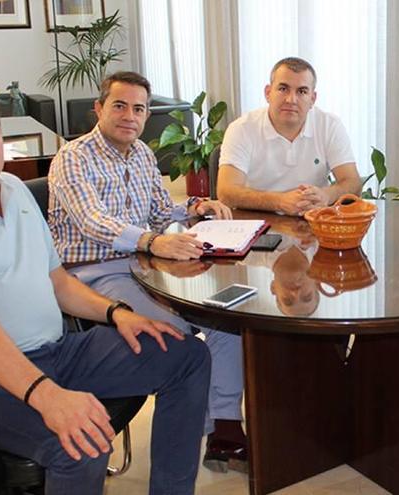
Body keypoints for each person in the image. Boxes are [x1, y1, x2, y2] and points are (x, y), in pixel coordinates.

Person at [0, 90, 211, 495]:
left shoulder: (13, 189)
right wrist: (46, 395)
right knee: (81, 441)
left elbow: (57, 281)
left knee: (185, 354)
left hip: (54, 350)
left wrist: (118, 314)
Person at [47, 71, 245, 473]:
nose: (129, 116)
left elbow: (158, 210)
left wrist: (194, 207)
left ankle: (225, 430)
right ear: (99, 109)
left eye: (138, 108)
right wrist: (152, 242)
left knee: (226, 322)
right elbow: (91, 221)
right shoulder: (73, 157)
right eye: (119, 105)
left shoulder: (140, 153)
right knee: (178, 333)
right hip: (92, 273)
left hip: (145, 265)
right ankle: (196, 427)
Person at [216, 57, 361, 215]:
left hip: (312, 222)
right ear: (268, 93)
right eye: (283, 89)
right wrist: (279, 201)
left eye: (302, 91)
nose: (291, 100)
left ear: (312, 99)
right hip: (257, 223)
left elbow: (353, 183)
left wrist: (326, 195)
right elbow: (226, 192)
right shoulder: (241, 129)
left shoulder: (329, 125)